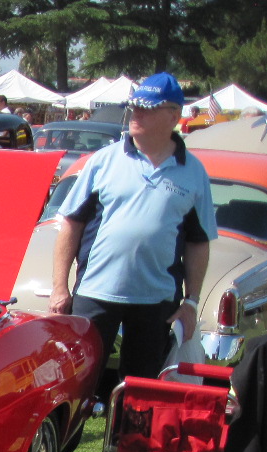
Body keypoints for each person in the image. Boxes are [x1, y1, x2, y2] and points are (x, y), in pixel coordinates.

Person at [50, 73, 216, 392]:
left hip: (157, 301)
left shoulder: (194, 172)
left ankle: (128, 443)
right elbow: (70, 224)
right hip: (96, 292)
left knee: (141, 391)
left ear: (173, 116)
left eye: (147, 108)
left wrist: (192, 303)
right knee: (76, 386)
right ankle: (66, 441)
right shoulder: (103, 162)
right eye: (134, 106)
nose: (136, 114)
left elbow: (198, 242)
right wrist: (60, 287)